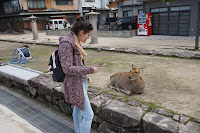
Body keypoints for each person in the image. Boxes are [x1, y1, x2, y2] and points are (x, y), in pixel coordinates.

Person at [58, 17, 98, 133]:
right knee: (89, 115)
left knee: (78, 109)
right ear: (81, 32)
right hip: (75, 84)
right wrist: (89, 70)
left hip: (81, 81)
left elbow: (79, 63)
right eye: (88, 35)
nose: (88, 38)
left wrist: (86, 75)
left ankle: (78, 131)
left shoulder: (76, 42)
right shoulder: (66, 44)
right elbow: (67, 68)